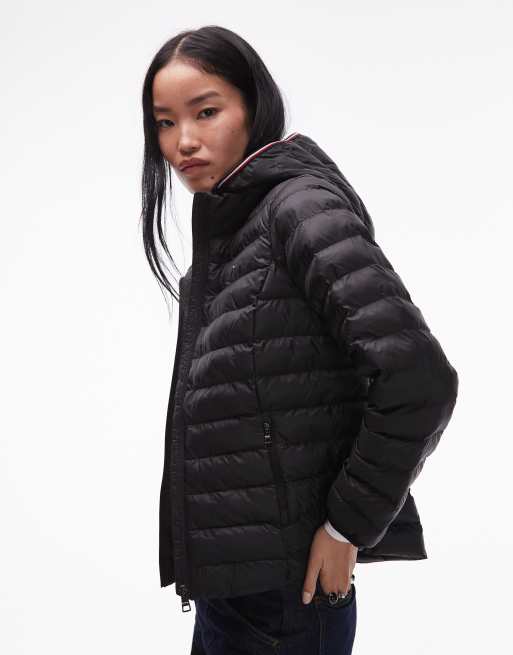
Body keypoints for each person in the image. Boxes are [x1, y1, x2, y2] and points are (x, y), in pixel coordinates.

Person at [140, 25, 459, 655]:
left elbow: (418, 378)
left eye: (206, 112)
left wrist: (346, 528)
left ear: (254, 106)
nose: (183, 142)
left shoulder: (299, 210)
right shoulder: (235, 232)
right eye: (165, 122)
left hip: (286, 602)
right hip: (236, 595)